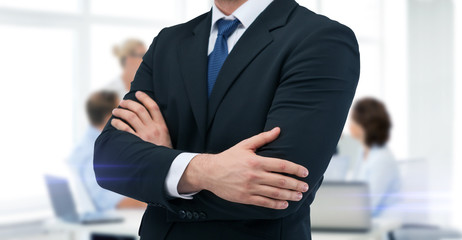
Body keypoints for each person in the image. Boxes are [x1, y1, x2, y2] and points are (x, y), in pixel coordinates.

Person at [94, 0, 360, 239]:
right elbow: (109, 161)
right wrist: (203, 171)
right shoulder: (168, 42)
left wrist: (163, 162)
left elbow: (278, 189)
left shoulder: (322, 39)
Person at [67, 91, 146, 212]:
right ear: (109, 118)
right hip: (113, 224)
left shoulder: (83, 147)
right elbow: (114, 202)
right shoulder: (95, 153)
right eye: (121, 110)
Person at [348, 97, 401, 217]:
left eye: (353, 120)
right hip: (363, 222)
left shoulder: (382, 159)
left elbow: (368, 206)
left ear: (364, 125)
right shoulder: (363, 152)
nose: (349, 125)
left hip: (382, 229)